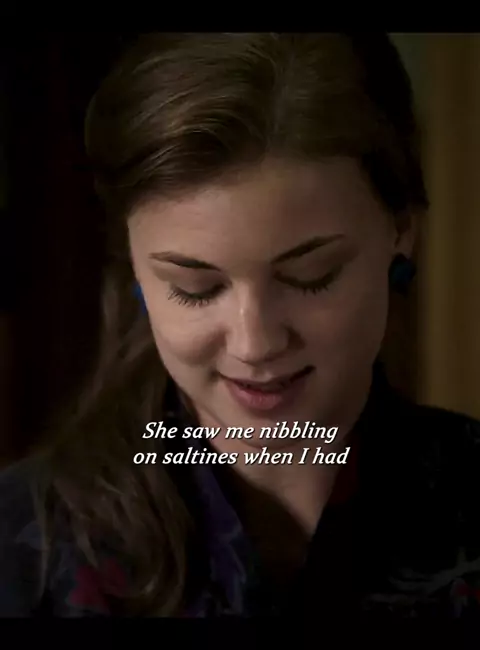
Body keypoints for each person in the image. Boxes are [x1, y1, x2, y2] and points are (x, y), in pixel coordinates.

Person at [1, 32, 480, 624]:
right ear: (134, 266)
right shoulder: (22, 551)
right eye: (195, 288)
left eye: (310, 277)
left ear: (401, 232)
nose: (255, 345)